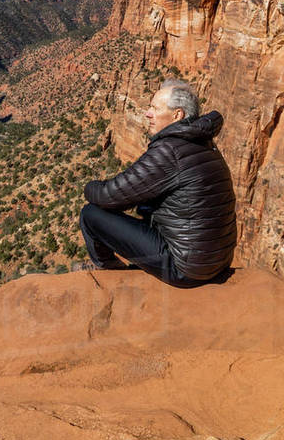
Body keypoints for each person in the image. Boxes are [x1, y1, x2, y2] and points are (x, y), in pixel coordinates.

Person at [79, 79, 237, 287]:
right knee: (144, 207)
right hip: (217, 260)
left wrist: (89, 186)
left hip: (186, 267)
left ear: (177, 115)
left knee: (91, 214)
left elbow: (110, 195)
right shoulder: (203, 142)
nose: (147, 114)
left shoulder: (170, 150)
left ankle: (111, 272)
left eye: (154, 108)